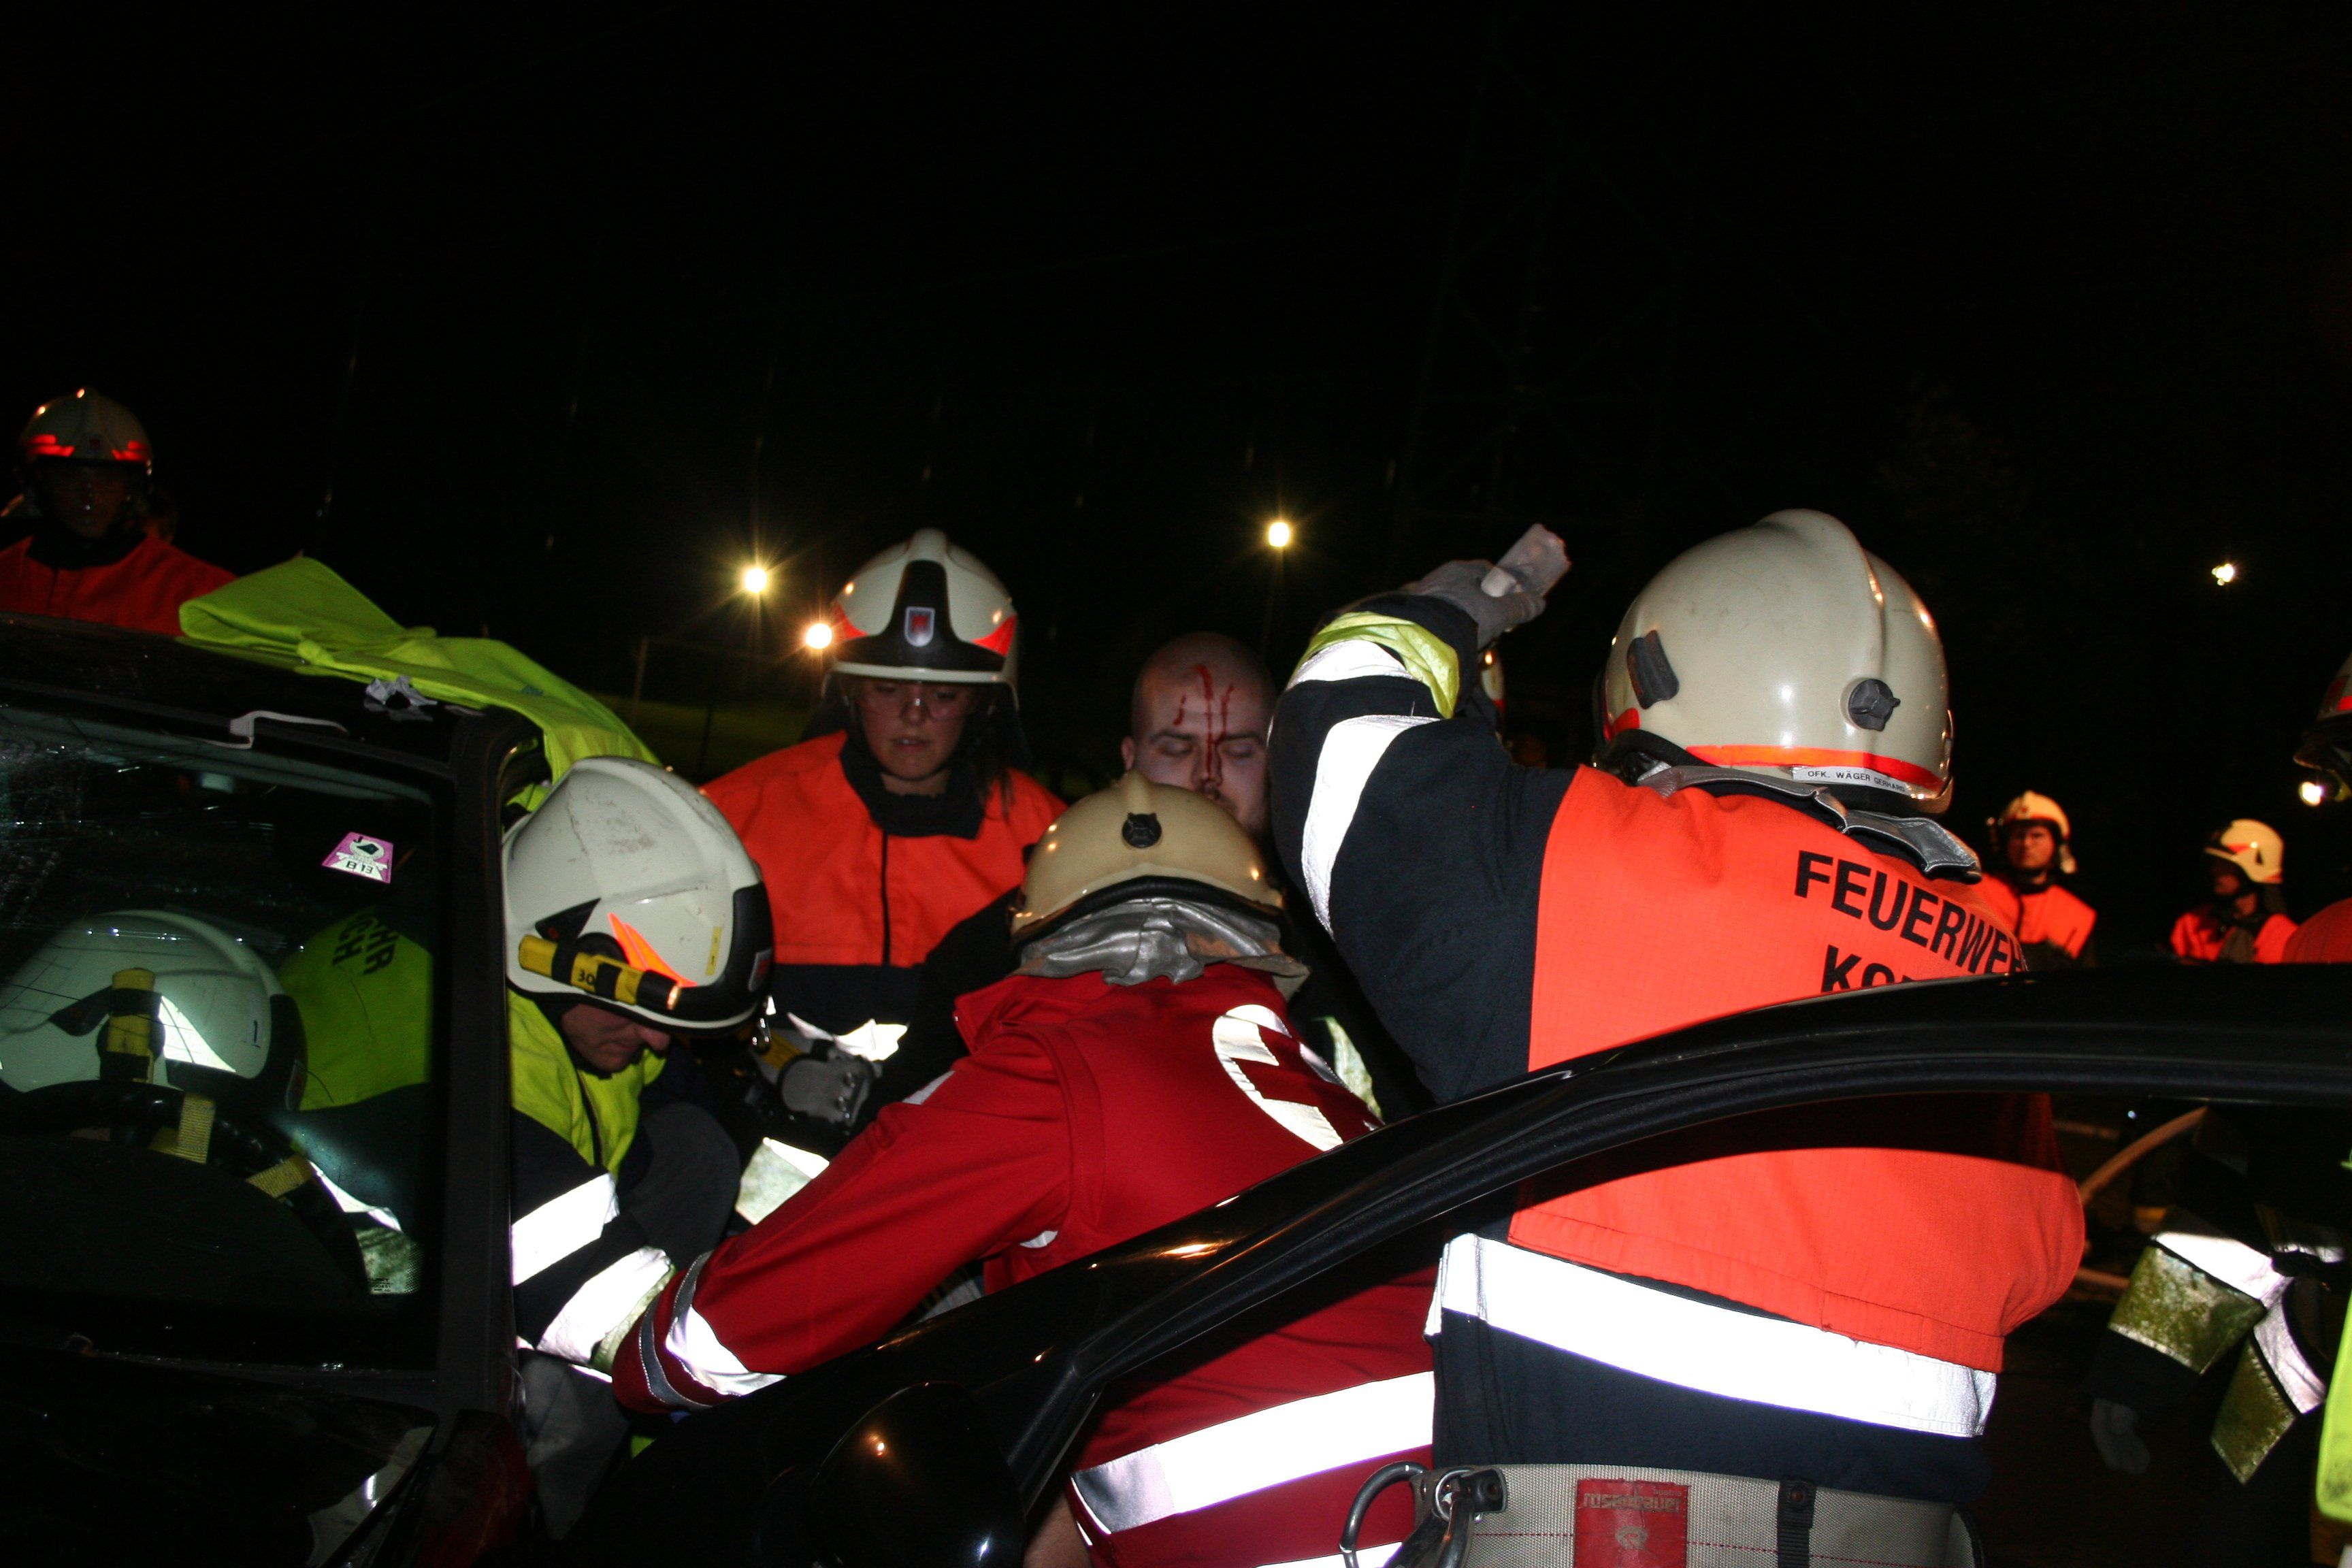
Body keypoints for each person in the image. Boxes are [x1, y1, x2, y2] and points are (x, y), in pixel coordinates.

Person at [1270, 510, 2082, 1559]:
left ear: (1649, 696)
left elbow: (1337, 725)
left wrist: (1459, 609)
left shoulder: (1580, 866)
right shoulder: (2000, 979)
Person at [610, 773, 1435, 1568]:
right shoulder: (1316, 1088)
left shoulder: (1059, 1068)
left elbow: (709, 1342)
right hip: (1431, 1521)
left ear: (1043, 938)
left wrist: (645, 1346)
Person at [891, 632, 1428, 1126]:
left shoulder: (1348, 940)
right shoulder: (1005, 944)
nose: (1207, 775)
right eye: (1176, 747)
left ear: (1276, 762)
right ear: (1131, 760)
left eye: (1240, 750)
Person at [702, 529, 1059, 1148]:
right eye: (887, 689)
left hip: (958, 1149)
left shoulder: (1050, 843)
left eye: (943, 694)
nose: (914, 714)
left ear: (986, 704)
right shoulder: (736, 816)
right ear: (848, 691)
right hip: (768, 1138)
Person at [500, 756, 770, 1533]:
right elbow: (615, 1310)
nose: (656, 1041)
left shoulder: (566, 1012)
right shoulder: (470, 1061)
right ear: (551, 944)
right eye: (636, 1010)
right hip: (371, 1382)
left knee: (693, 1146)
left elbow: (703, 1137)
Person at [0, 389, 232, 634]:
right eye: (70, 476)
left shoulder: (202, 593)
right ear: (39, 481)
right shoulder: (7, 575)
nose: (90, 493)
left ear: (132, 487)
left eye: (108, 478)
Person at [1976, 791, 2097, 967]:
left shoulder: (2078, 916)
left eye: (2037, 836)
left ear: (2056, 844)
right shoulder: (1975, 892)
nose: (2026, 844)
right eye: (2019, 836)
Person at [2169, 821, 2296, 964]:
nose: (2215, 870)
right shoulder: (2194, 923)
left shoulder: (2283, 935)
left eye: (2225, 864)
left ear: (2253, 870)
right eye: (2215, 862)